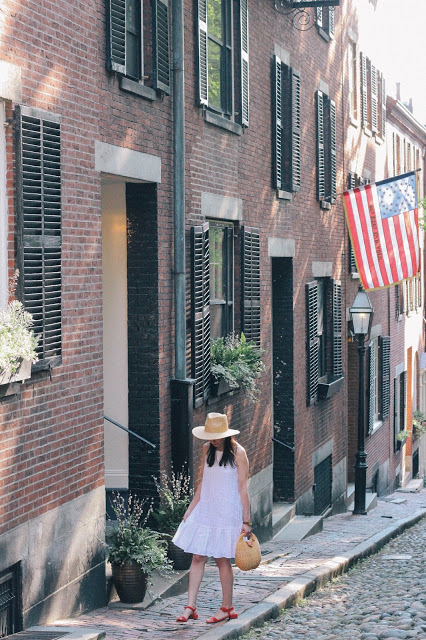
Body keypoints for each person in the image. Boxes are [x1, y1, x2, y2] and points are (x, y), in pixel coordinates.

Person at [172, 412, 252, 624]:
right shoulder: (207, 449)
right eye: (211, 435)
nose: (213, 439)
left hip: (227, 511)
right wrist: (191, 509)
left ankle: (227, 607)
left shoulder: (238, 452)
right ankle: (190, 607)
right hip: (207, 508)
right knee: (198, 557)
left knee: (221, 560)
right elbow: (203, 481)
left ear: (226, 434)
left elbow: (243, 487)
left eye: (217, 435)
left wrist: (246, 520)